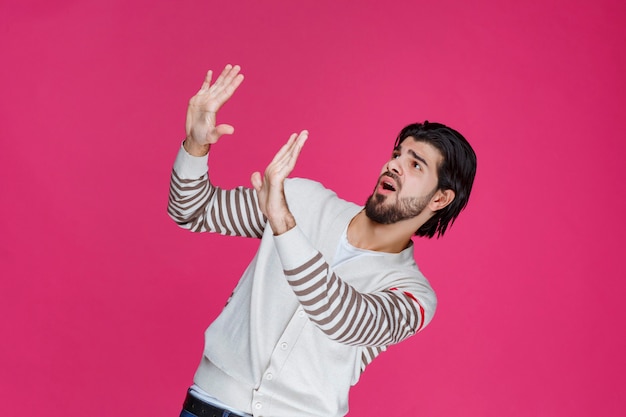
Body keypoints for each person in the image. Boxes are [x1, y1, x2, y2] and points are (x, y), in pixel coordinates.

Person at [168, 64, 477, 417]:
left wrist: (283, 224)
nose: (393, 166)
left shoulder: (414, 296)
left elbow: (342, 318)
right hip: (210, 404)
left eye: (416, 165)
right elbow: (192, 210)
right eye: (396, 155)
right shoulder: (302, 199)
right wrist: (195, 145)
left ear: (439, 199)